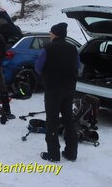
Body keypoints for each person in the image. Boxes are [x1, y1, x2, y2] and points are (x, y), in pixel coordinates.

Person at [35, 22, 79, 162]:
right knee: (68, 120)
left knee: (52, 120)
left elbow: (38, 67)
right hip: (69, 89)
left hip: (53, 89)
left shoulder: (48, 48)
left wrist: (47, 74)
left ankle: (53, 154)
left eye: (51, 32)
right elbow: (78, 65)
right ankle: (71, 153)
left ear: (55, 34)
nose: (50, 34)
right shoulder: (73, 48)